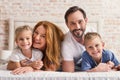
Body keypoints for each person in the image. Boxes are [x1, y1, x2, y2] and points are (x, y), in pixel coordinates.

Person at [61, 6, 110, 72]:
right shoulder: (66, 44)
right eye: (72, 23)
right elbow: (69, 73)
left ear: (86, 21)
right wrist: (96, 70)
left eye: (80, 22)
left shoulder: (92, 31)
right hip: (78, 69)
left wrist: (109, 64)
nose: (77, 27)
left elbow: (101, 53)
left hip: (90, 66)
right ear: (67, 24)